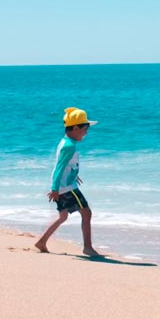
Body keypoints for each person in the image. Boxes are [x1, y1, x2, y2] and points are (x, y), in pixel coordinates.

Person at [35, 107, 101, 256]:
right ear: (76, 128)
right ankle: (88, 248)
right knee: (86, 212)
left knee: (63, 216)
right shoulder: (69, 146)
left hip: (64, 185)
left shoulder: (66, 142)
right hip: (67, 188)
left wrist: (73, 174)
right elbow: (59, 167)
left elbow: (65, 165)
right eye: (85, 129)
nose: (86, 132)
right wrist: (55, 189)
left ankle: (42, 241)